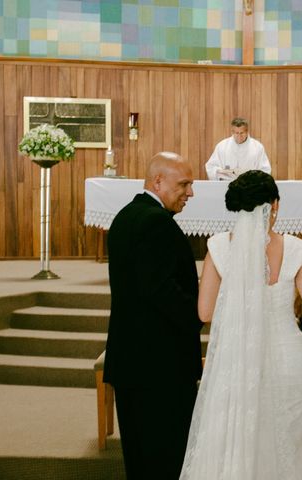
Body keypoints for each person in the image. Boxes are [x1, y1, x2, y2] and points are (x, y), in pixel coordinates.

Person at [180, 170, 302, 480]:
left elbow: (205, 312)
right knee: (287, 444)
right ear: (274, 204)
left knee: (237, 440)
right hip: (288, 360)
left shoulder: (219, 247)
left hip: (236, 361)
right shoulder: (296, 249)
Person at [104, 152, 202, 479]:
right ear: (158, 182)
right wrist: (201, 313)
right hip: (160, 367)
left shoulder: (125, 216)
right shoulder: (156, 223)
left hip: (131, 361)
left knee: (139, 459)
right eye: (184, 184)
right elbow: (161, 291)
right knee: (165, 458)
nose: (190, 193)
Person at [205, 117, 271, 180]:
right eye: (236, 133)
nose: (239, 136)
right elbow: (211, 167)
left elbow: (265, 170)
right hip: (227, 185)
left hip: (250, 186)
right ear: (232, 132)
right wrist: (221, 172)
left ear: (247, 131)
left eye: (242, 133)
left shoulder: (257, 147)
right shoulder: (222, 146)